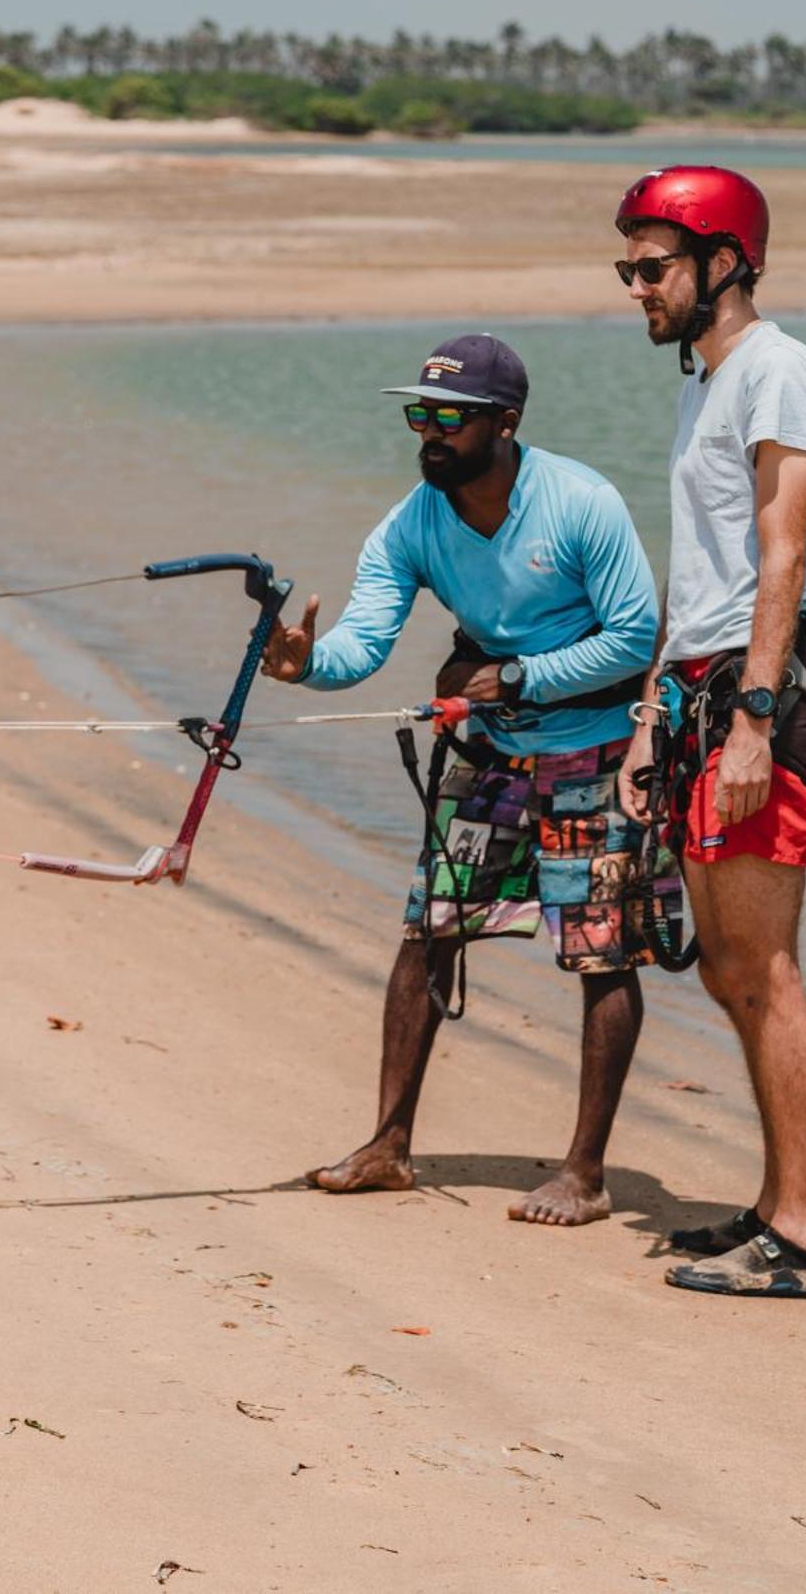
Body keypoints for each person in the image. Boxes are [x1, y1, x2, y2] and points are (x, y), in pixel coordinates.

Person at [262, 332, 681, 1227]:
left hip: (597, 753)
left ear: (505, 422)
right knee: (427, 931)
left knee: (600, 954)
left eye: (451, 417)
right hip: (489, 752)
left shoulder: (579, 502)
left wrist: (520, 677)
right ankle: (386, 1146)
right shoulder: (412, 521)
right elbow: (363, 642)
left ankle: (585, 1173)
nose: (431, 433)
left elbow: (636, 638)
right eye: (421, 414)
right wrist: (306, 665)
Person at [615, 168, 806, 1298]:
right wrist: (649, 715)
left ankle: (801, 1236)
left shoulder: (776, 371)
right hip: (700, 695)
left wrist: (754, 717)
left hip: (757, 700)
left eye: (652, 266)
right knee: (724, 969)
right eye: (628, 268)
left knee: (766, 964)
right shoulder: (703, 386)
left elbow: (782, 555)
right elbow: (698, 576)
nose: (635, 287)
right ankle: (772, 1205)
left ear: (723, 261)